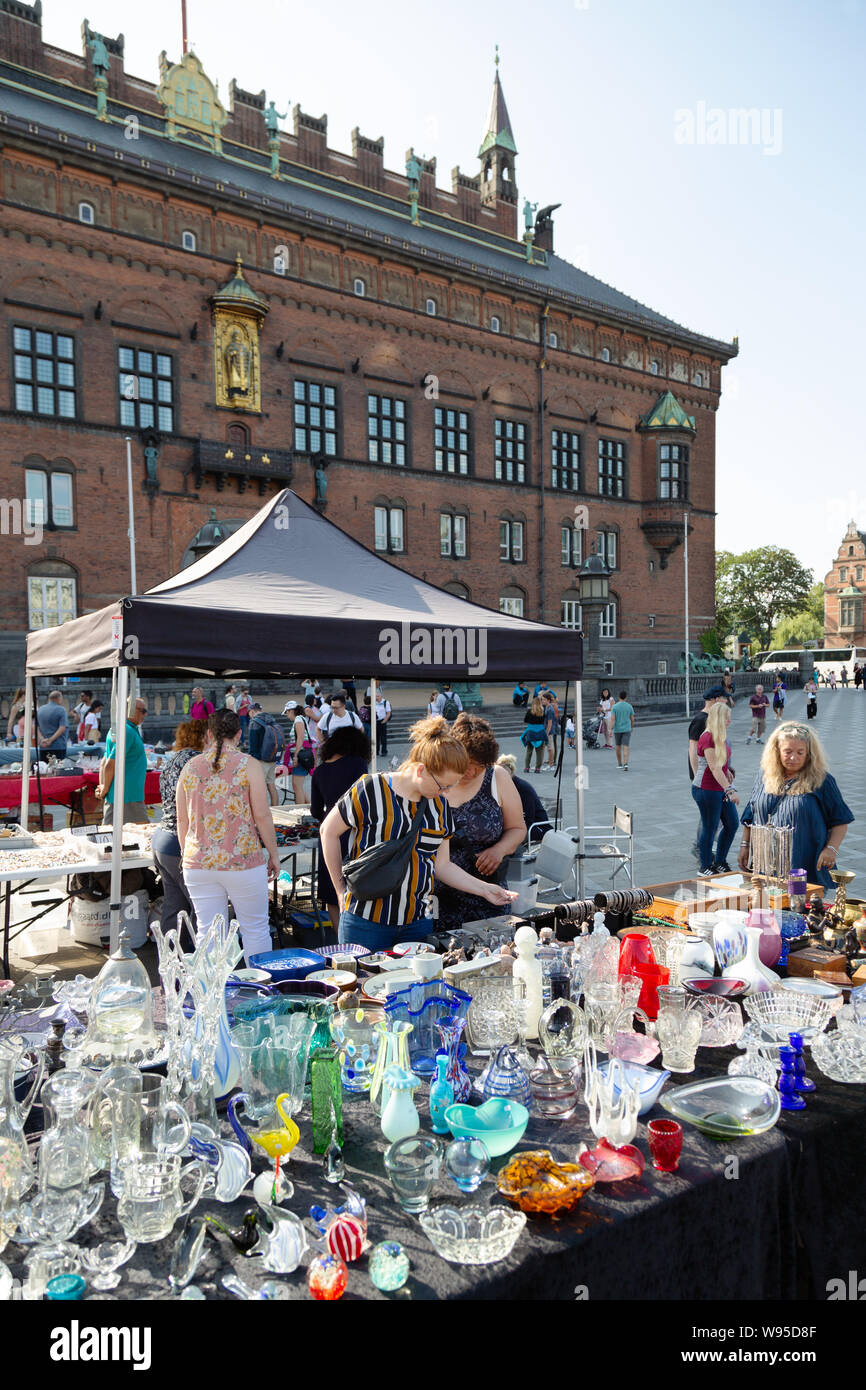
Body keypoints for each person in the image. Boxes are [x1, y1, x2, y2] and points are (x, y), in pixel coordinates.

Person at [319, 715, 515, 952]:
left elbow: (442, 866)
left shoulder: (439, 805)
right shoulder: (371, 788)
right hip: (365, 920)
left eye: (451, 786)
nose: (446, 792)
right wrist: (340, 890)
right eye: (443, 785)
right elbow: (328, 831)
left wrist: (486, 889)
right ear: (421, 770)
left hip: (417, 921)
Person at [177, 708, 280, 964]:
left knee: (208, 934)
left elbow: (182, 821)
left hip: (198, 861)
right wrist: (273, 854)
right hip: (242, 860)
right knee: (255, 930)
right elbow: (262, 816)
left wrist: (187, 854)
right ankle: (259, 985)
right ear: (239, 734)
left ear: (209, 734)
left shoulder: (190, 767)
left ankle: (210, 987)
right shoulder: (249, 764)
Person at [435, 714, 525, 932]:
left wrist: (499, 850)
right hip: (437, 895)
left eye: (480, 766)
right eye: (468, 764)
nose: (472, 772)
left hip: (489, 893)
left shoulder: (498, 777)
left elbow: (518, 828)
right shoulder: (435, 780)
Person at [737, 722, 854, 890]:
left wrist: (831, 849)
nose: (794, 757)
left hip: (801, 864)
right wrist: (745, 845)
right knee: (764, 904)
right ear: (777, 751)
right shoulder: (764, 776)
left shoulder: (821, 780)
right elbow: (751, 814)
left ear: (809, 754)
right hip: (764, 863)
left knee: (797, 904)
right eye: (788, 751)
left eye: (800, 752)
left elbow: (840, 820)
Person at [310, 726, 371, 932]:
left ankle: (340, 939)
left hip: (329, 831)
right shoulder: (357, 763)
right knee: (357, 888)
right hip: (355, 831)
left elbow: (315, 810)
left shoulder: (320, 771)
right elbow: (365, 799)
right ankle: (357, 935)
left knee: (332, 891)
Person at [152, 720, 206, 936]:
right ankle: (200, 953)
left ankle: (170, 952)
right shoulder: (196, 761)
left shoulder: (172, 760)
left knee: (173, 907)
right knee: (202, 907)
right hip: (180, 840)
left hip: (162, 839)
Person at [692, 701, 739, 876]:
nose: (729, 721)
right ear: (718, 718)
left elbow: (721, 763)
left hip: (718, 787)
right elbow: (713, 767)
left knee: (732, 823)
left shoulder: (720, 735)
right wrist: (730, 790)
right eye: (727, 718)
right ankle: (705, 866)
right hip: (706, 788)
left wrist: (729, 770)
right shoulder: (708, 737)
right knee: (710, 827)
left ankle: (720, 861)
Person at [688, 685, 728, 859]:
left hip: (715, 775)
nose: (726, 701)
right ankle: (700, 848)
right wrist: (697, 774)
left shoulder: (713, 719)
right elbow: (692, 749)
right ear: (716, 699)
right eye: (724, 698)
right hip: (705, 778)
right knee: (709, 818)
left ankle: (703, 847)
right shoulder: (701, 720)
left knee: (712, 817)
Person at [96, 695, 149, 823]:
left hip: (125, 795)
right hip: (127, 796)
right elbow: (110, 763)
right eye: (143, 711)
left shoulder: (122, 729)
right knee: (140, 830)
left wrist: (103, 786)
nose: (145, 715)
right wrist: (104, 788)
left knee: (113, 830)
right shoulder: (126, 731)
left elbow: (104, 762)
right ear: (130, 710)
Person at [496, 755, 553, 843]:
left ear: (511, 773)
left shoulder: (523, 789)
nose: (501, 779)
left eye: (504, 776)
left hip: (536, 827)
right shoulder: (502, 785)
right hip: (517, 825)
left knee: (504, 838)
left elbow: (528, 819)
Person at [248, 704, 282, 807]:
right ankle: (275, 809)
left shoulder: (254, 723)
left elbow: (253, 744)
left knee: (259, 786)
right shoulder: (271, 719)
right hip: (272, 757)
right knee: (271, 784)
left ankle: (262, 810)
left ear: (252, 711)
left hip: (261, 760)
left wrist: (251, 760)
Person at [282, 700, 314, 806]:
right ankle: (309, 806)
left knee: (297, 785)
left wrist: (295, 756)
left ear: (291, 711)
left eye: (287, 713)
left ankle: (300, 810)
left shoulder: (298, 720)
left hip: (301, 755)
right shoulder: (300, 719)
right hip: (302, 754)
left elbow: (300, 738)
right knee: (297, 786)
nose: (287, 716)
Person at [36, 689, 68, 759]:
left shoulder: (40, 709)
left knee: (44, 765)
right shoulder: (61, 710)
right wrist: (50, 740)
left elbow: (36, 727)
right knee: (58, 765)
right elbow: (62, 728)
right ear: (59, 698)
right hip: (58, 746)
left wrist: (41, 739)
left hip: (43, 746)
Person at [521, 697, 548, 774]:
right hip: (540, 732)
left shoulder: (530, 711)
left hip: (531, 732)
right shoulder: (543, 711)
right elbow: (543, 721)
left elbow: (525, 720)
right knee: (539, 752)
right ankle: (537, 768)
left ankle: (527, 768)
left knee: (529, 751)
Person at [611, 690, 635, 770]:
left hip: (617, 729)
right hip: (627, 729)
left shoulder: (614, 707)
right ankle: (626, 763)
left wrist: (610, 729)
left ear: (619, 697)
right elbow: (632, 719)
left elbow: (613, 719)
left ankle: (620, 764)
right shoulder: (629, 706)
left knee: (618, 746)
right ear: (626, 697)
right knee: (626, 746)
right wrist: (632, 727)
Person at [541, 692, 560, 772]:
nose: (542, 701)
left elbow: (550, 723)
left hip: (549, 731)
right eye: (542, 699)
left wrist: (546, 733)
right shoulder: (547, 707)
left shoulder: (550, 709)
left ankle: (551, 765)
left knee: (550, 748)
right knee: (549, 748)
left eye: (544, 700)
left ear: (548, 700)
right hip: (548, 730)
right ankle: (550, 763)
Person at [373, 686, 392, 758]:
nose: (376, 698)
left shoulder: (386, 702)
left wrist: (383, 722)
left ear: (381, 696)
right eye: (375, 696)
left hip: (382, 721)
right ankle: (376, 751)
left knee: (383, 738)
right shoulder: (374, 702)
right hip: (375, 722)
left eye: (377, 696)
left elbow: (388, 713)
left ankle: (384, 751)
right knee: (376, 738)